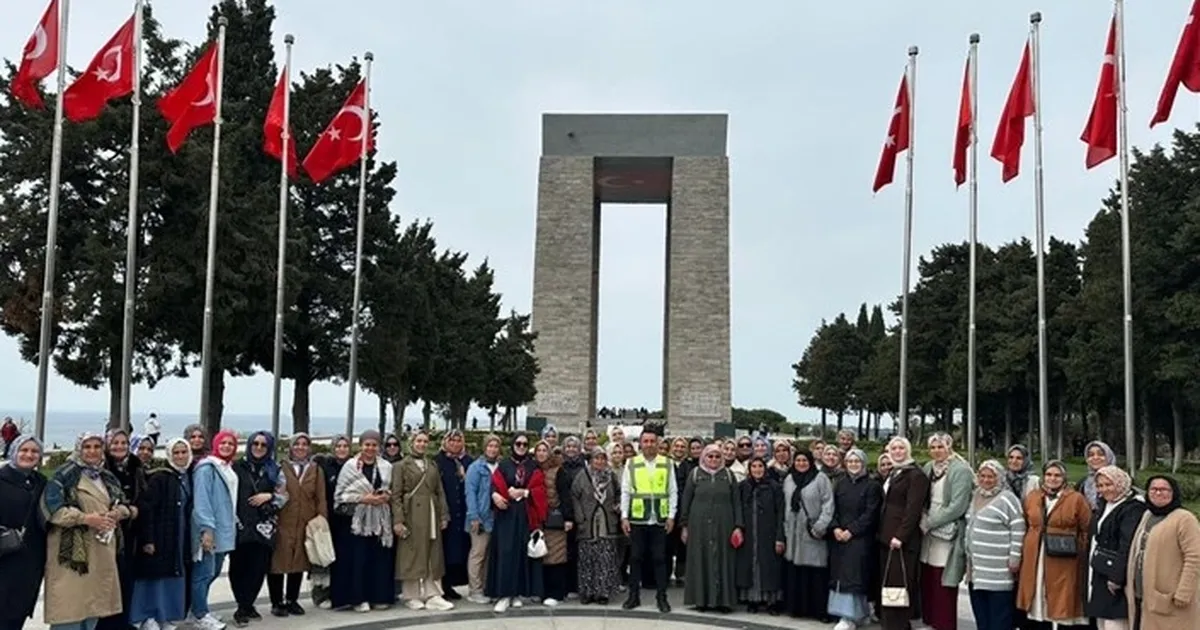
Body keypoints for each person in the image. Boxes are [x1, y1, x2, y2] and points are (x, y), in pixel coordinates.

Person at [42, 432, 136, 630]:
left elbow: (124, 503)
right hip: (71, 554)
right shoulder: (64, 475)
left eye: (97, 447)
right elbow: (52, 510)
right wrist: (85, 519)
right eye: (87, 447)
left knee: (93, 610)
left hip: (102, 550)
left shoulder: (106, 476)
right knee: (70, 612)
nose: (92, 451)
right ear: (79, 449)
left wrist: (118, 512)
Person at [1016, 460, 1091, 629]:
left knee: (1061, 598)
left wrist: (1078, 549)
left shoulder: (1076, 499)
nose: (1053, 478)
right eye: (1049, 474)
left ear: (1064, 478)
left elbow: (1086, 528)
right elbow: (1025, 523)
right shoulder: (1033, 497)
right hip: (1035, 554)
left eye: (1057, 475)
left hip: (1064, 558)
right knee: (1036, 595)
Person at [130, 438, 193, 630]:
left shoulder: (186, 477)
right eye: (176, 453)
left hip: (178, 534)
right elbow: (146, 509)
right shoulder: (160, 477)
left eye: (184, 452)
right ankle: (147, 616)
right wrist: (148, 539)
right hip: (159, 534)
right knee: (154, 578)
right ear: (168, 455)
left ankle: (165, 616)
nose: (181, 456)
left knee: (171, 577)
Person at [331, 430, 396, 612]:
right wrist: (365, 499)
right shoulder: (351, 467)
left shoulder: (386, 467)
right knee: (358, 561)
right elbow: (341, 495)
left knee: (379, 560)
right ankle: (358, 599)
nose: (370, 448)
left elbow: (391, 489)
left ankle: (378, 597)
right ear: (361, 446)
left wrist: (384, 497)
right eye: (367, 444)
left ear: (379, 447)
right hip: (356, 522)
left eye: (374, 445)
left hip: (380, 521)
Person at [228, 431, 288, 626]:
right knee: (238, 568)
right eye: (255, 443)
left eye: (264, 445)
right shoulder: (236, 467)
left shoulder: (275, 469)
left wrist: (269, 497)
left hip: (264, 527)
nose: (259, 448)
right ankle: (242, 605)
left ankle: (247, 604)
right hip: (240, 524)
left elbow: (284, 495)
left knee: (258, 568)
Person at [1126, 475, 1200, 630]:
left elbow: (1194, 557)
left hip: (1171, 598)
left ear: (1173, 492)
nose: (1158, 493)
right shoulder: (1148, 515)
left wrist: (1184, 592)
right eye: (1153, 489)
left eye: (1164, 489)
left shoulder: (1185, 519)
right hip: (1144, 595)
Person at [391, 430, 453, 612]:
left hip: (431, 511)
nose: (422, 444)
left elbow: (439, 491)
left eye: (425, 441)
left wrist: (444, 514)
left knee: (433, 552)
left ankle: (433, 594)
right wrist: (398, 520)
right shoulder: (401, 466)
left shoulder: (432, 465)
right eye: (418, 441)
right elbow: (396, 496)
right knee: (411, 553)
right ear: (411, 443)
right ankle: (411, 595)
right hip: (411, 514)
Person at [269, 433, 326, 617]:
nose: (300, 447)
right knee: (278, 563)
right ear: (291, 447)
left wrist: (321, 520)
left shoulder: (315, 469)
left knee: (299, 562)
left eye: (304, 444)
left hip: (305, 522)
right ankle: (277, 601)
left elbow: (321, 497)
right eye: (297, 444)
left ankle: (292, 600)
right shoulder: (280, 467)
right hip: (283, 521)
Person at [487, 433, 546, 613]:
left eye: (524, 444)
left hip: (525, 514)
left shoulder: (533, 465)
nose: (521, 446)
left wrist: (525, 492)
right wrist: (497, 494)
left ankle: (518, 593)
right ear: (513, 445)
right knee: (505, 552)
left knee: (522, 552)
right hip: (506, 514)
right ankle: (504, 594)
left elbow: (539, 488)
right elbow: (495, 485)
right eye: (518, 443)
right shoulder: (504, 465)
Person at [919, 433, 973, 630]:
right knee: (928, 576)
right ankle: (930, 620)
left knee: (943, 579)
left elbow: (958, 505)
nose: (936, 451)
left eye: (940, 447)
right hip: (927, 530)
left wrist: (932, 522)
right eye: (933, 447)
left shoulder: (960, 470)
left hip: (947, 530)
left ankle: (944, 623)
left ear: (949, 447)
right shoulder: (928, 468)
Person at [963, 459, 1025, 630]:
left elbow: (1018, 528)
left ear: (999, 478)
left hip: (999, 570)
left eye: (991, 476)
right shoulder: (976, 495)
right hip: (977, 570)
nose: (986, 480)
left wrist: (1015, 558)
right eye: (982, 476)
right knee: (981, 617)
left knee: (1000, 619)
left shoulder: (1008, 499)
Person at [680, 443, 742, 612]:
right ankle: (701, 600)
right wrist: (684, 525)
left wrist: (738, 526)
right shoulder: (695, 474)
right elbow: (686, 500)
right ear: (704, 457)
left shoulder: (728, 475)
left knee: (724, 560)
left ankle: (724, 601)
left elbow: (736, 502)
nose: (713, 459)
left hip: (725, 524)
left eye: (717, 456)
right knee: (701, 559)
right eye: (710, 456)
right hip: (698, 524)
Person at [620, 428, 677, 613]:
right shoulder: (631, 463)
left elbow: (672, 491)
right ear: (640, 443)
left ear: (658, 443)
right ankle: (633, 596)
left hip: (659, 520)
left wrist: (671, 516)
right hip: (638, 518)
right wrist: (624, 516)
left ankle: (662, 598)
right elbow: (626, 491)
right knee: (635, 559)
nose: (649, 445)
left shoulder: (667, 463)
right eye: (646, 441)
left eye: (653, 441)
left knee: (660, 559)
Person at [877, 437, 930, 630]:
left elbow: (913, 509)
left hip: (902, 540)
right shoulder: (894, 472)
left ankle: (899, 624)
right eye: (894, 448)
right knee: (888, 583)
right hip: (885, 536)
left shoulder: (916, 475)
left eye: (901, 448)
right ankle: (888, 623)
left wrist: (901, 535)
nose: (897, 451)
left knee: (900, 584)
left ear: (907, 450)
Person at [828, 448, 883, 630]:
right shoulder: (841, 484)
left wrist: (851, 531)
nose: (853, 465)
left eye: (857, 461)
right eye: (850, 461)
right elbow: (832, 508)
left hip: (860, 538)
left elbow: (870, 514)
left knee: (856, 576)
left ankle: (853, 616)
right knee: (840, 576)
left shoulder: (872, 485)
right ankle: (846, 615)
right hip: (839, 537)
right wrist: (835, 527)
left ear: (863, 464)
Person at [1085, 465, 1144, 630]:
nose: (1104, 489)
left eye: (1108, 484)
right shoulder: (1104, 504)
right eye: (1100, 485)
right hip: (1100, 572)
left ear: (1120, 483)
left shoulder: (1132, 508)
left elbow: (1127, 544)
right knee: (1102, 623)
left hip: (1116, 578)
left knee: (1115, 624)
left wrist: (1116, 577)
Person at [190, 430, 239, 630]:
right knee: (203, 573)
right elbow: (201, 500)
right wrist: (206, 529)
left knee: (213, 572)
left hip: (225, 528)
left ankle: (199, 608)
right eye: (223, 442)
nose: (226, 446)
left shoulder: (226, 467)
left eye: (231, 443)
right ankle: (199, 614)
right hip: (210, 529)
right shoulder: (206, 468)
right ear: (216, 443)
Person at [98, 428, 146, 630]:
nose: (119, 447)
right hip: (105, 533)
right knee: (105, 582)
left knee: (126, 581)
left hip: (130, 534)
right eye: (114, 443)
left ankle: (122, 622)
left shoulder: (136, 467)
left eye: (123, 443)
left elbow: (144, 500)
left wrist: (132, 511)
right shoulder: (100, 468)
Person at [0, 435, 47, 630]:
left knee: (16, 616)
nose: (29, 455)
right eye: (24, 450)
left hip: (30, 563)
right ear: (14, 452)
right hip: (4, 559)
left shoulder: (40, 482)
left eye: (34, 451)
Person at [782, 448, 834, 621]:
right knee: (796, 571)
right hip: (794, 534)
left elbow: (828, 504)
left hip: (813, 533)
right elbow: (785, 505)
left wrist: (820, 526)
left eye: (804, 460)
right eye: (798, 461)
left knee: (815, 572)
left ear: (811, 462)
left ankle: (818, 611)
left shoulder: (821, 479)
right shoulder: (789, 479)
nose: (801, 464)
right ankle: (796, 608)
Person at [571, 446, 621, 604]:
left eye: (602, 458)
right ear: (591, 460)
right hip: (588, 523)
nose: (599, 461)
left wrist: (618, 505)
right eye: (596, 458)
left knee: (605, 559)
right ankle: (587, 592)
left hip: (607, 523)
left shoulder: (611, 476)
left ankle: (603, 592)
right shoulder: (582, 476)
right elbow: (574, 496)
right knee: (587, 559)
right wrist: (580, 517)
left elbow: (619, 493)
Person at [736, 457, 785, 612]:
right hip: (750, 533)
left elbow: (781, 513)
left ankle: (772, 602)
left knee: (769, 568)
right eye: (754, 466)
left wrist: (780, 537)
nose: (757, 469)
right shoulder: (743, 486)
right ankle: (753, 600)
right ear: (749, 469)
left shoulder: (774, 487)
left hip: (768, 533)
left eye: (760, 466)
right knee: (751, 566)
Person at [310, 435, 351, 610]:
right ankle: (320, 593)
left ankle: (340, 592)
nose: (342, 449)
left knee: (341, 558)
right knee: (322, 557)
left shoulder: (353, 466)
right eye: (338, 446)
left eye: (345, 446)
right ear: (333, 448)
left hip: (347, 519)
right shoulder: (324, 466)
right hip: (327, 518)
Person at [434, 430, 472, 602]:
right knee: (444, 549)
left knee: (459, 549)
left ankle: (453, 583)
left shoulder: (468, 461)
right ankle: (442, 586)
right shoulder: (438, 462)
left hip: (463, 512)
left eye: (459, 440)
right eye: (452, 440)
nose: (456, 444)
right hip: (445, 511)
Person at [533, 440, 572, 606]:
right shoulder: (533, 469)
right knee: (540, 556)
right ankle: (541, 591)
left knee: (556, 557)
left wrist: (568, 518)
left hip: (555, 520)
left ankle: (556, 593)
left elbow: (565, 496)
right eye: (538, 450)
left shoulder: (558, 471)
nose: (541, 453)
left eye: (544, 450)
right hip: (537, 520)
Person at [463, 434, 501, 604]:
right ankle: (474, 589)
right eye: (490, 446)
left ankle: (487, 587)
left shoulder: (500, 467)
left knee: (489, 555)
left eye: (495, 446)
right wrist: (474, 516)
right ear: (485, 447)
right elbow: (470, 493)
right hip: (480, 517)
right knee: (477, 554)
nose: (492, 449)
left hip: (496, 517)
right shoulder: (475, 468)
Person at [1079, 441, 1117, 511]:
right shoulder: (1083, 484)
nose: (1095, 457)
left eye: (1101, 454)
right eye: (1091, 455)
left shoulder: (1120, 481)